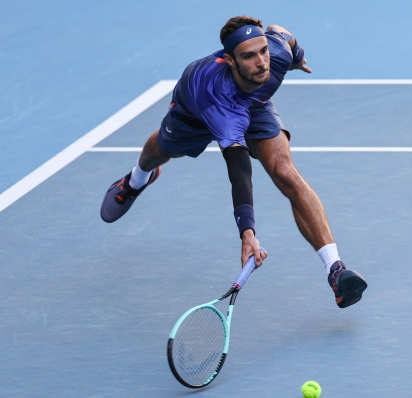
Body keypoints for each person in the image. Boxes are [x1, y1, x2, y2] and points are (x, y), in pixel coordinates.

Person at [100, 16, 367, 308]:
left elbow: (282, 35)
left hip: (254, 103)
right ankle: (137, 179)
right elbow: (239, 171)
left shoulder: (274, 56)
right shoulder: (219, 106)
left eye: (263, 51)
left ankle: (335, 270)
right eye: (249, 57)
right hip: (197, 111)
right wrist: (248, 233)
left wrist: (297, 56)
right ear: (229, 59)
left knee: (285, 173)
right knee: (162, 150)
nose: (261, 62)